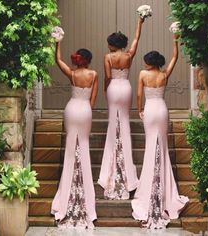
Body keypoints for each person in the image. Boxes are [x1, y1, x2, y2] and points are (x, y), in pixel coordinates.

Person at [131, 34, 189, 229]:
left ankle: (148, 188)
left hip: (149, 109)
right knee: (161, 147)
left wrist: (139, 109)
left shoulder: (142, 74)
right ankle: (166, 191)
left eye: (146, 61)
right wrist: (174, 39)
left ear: (150, 62)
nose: (144, 63)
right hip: (162, 110)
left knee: (151, 147)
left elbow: (139, 94)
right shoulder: (164, 75)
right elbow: (175, 58)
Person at [51, 40, 98, 228]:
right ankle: (86, 195)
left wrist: (58, 43)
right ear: (89, 60)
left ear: (79, 59)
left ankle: (65, 194)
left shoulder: (72, 74)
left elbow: (58, 60)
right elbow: (93, 100)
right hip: (85, 110)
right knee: (83, 147)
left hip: (71, 109)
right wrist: (88, 111)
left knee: (71, 149)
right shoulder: (94, 74)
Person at [97, 17, 145, 200]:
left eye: (109, 43)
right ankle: (129, 174)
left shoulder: (108, 57)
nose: (107, 45)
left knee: (113, 122)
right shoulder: (128, 55)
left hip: (113, 88)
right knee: (124, 121)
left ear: (112, 44)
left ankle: (110, 163)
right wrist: (139, 23)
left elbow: (108, 77)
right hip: (125, 87)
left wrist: (105, 88)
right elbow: (136, 40)